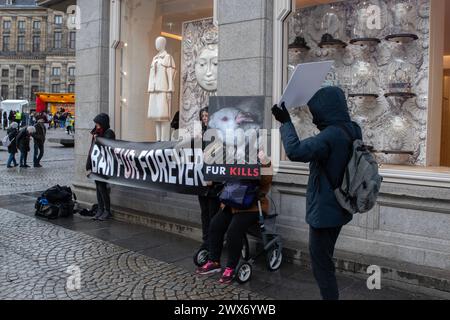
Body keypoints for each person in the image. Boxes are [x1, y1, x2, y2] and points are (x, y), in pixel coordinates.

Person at [271, 86, 362, 300]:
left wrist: (285, 122)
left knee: (321, 264)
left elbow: (295, 151)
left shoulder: (330, 136)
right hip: (341, 204)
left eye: (316, 111)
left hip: (325, 210)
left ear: (325, 110)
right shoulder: (353, 129)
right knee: (325, 257)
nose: (314, 118)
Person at [196, 151, 272, 284]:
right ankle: (214, 261)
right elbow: (217, 176)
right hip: (231, 204)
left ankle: (231, 267)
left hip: (252, 206)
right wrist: (208, 161)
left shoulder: (258, 159)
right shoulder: (232, 158)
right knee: (215, 225)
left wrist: (265, 162)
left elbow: (266, 182)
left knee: (233, 231)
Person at [197, 107, 222, 254]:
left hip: (213, 182)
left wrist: (212, 176)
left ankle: (213, 241)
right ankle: (206, 240)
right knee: (204, 212)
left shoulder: (217, 135)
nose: (205, 118)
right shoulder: (201, 134)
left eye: (207, 115)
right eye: (203, 116)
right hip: (202, 180)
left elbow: (216, 156)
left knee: (213, 213)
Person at [86, 113, 116, 221]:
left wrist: (98, 138)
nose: (97, 126)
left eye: (98, 124)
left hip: (104, 165)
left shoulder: (108, 132)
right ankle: (100, 209)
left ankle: (107, 210)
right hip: (96, 164)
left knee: (102, 188)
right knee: (98, 188)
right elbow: (92, 149)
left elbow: (107, 145)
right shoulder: (96, 133)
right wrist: (89, 163)